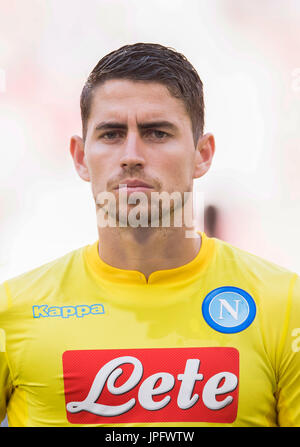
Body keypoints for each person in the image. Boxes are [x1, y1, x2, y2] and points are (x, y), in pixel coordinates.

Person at [0, 43, 299, 428]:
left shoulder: (284, 304)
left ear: (202, 154)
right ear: (79, 157)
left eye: (157, 133)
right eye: (110, 134)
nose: (131, 154)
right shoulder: (12, 311)